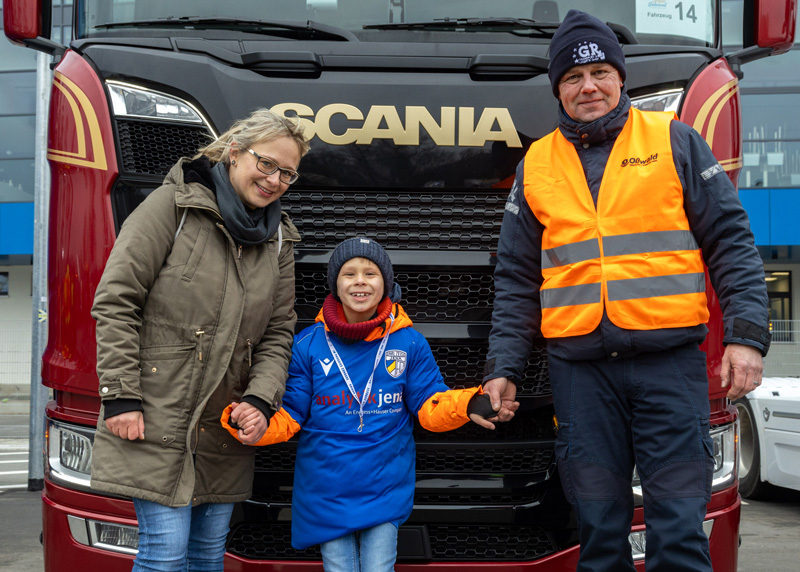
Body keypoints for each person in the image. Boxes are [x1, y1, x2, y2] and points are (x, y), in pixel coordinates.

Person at [482, 10, 771, 572]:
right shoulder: (536, 164)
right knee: (599, 537)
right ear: (558, 90)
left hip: (669, 368)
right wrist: (504, 367)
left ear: (619, 78)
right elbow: (517, 278)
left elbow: (731, 243)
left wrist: (745, 338)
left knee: (681, 534)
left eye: (599, 74)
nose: (587, 87)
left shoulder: (674, 140)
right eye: (571, 78)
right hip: (582, 375)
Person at [90, 108, 309, 572]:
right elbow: (116, 301)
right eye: (265, 163)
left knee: (208, 556)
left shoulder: (278, 242)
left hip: (224, 425)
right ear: (234, 152)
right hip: (155, 412)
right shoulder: (172, 205)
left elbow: (277, 333)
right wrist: (120, 395)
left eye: (287, 173)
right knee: (165, 553)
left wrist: (261, 399)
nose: (274, 180)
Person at [221, 237, 496, 572]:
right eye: (349, 273)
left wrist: (469, 403)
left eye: (371, 273)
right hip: (327, 487)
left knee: (378, 568)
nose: (360, 281)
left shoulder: (409, 342)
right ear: (335, 284)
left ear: (387, 283)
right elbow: (290, 412)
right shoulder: (308, 345)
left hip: (384, 485)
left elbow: (429, 404)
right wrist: (254, 424)